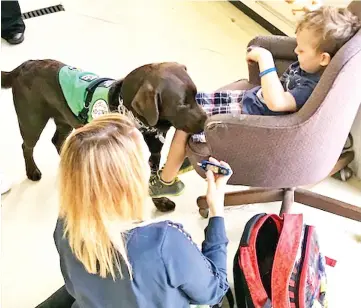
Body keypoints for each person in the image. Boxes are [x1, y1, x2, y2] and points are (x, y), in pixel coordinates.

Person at [149, 6, 361, 204]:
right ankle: (180, 158)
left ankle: (166, 181)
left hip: (254, 117)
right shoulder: (313, 66)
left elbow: (276, 102)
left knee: (186, 122)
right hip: (250, 100)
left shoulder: (309, 86)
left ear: (324, 58)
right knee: (189, 104)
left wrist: (265, 60)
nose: (296, 52)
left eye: (302, 50)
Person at [38, 114, 232, 308]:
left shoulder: (65, 224)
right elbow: (213, 292)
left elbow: (75, 287)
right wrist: (216, 212)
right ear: (125, 180)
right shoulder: (163, 242)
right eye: (145, 161)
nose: (149, 168)